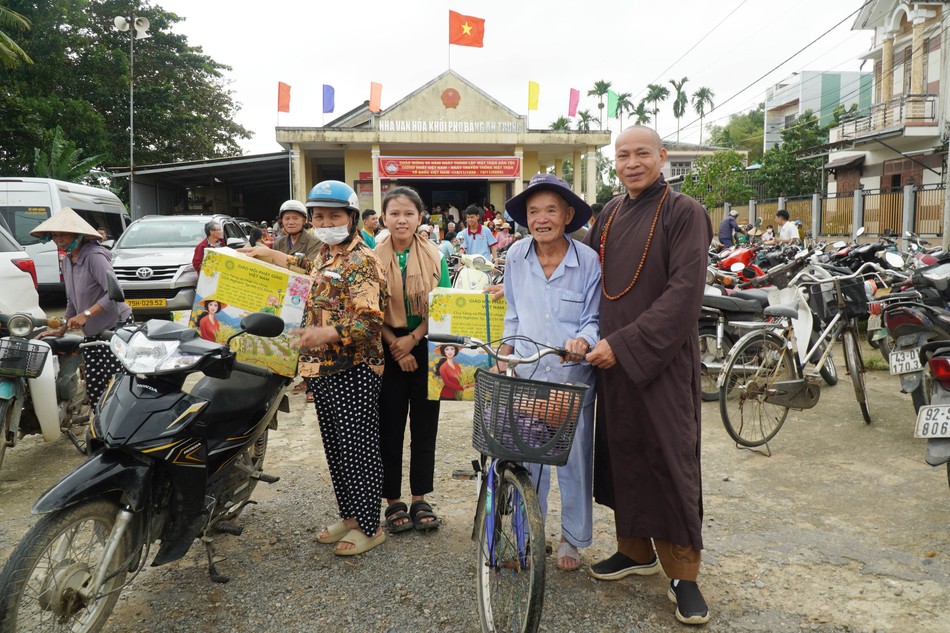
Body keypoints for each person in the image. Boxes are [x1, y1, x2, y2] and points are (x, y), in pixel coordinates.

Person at [583, 126, 712, 625]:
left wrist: (626, 344)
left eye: (642, 154)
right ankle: (635, 551)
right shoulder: (610, 213)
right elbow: (583, 276)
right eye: (622, 155)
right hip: (611, 361)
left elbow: (684, 295)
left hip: (658, 361)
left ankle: (683, 574)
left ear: (662, 157)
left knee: (668, 459)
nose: (632, 163)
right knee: (622, 455)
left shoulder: (685, 213)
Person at [240, 180, 388, 556]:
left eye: (333, 215)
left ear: (352, 218)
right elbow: (304, 266)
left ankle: (370, 525)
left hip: (354, 368)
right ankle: (350, 517)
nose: (325, 221)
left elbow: (370, 322)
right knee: (337, 449)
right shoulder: (325, 254)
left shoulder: (363, 260)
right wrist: (268, 255)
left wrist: (325, 333)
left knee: (359, 447)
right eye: (318, 216)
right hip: (321, 370)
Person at [499, 173, 600, 571]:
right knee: (529, 463)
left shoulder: (587, 261)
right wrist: (504, 350)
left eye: (551, 210)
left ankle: (572, 540)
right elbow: (512, 312)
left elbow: (593, 319)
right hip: (527, 376)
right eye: (533, 211)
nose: (541, 219)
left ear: (568, 215)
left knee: (575, 462)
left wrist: (583, 342)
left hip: (572, 380)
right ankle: (526, 539)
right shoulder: (514, 257)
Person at [375, 186, 452, 534]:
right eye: (395, 213)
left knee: (424, 427)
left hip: (426, 344)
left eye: (409, 213)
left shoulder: (436, 257)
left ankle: (420, 496)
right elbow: (368, 311)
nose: (401, 219)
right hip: (386, 345)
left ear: (420, 217)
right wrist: (396, 345)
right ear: (384, 218)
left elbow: (443, 306)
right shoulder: (372, 258)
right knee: (389, 428)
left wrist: (413, 340)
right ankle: (393, 501)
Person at [32, 208, 132, 408]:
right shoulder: (68, 260)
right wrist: (62, 327)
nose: (58, 239)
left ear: (78, 235)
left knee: (116, 382)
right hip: (92, 331)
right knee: (95, 384)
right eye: (55, 235)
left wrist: (86, 314)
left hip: (114, 327)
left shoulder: (94, 257)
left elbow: (115, 293)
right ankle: (99, 426)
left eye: (63, 234)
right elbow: (72, 299)